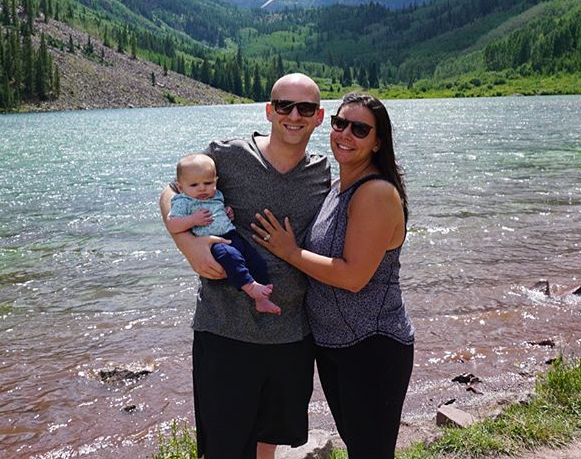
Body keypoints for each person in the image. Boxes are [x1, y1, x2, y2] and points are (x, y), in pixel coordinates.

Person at [160, 73, 331, 459]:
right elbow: (168, 192)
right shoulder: (228, 154)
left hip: (290, 332)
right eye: (284, 106)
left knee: (268, 439)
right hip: (224, 328)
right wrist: (189, 246)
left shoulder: (321, 170)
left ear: (319, 117)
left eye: (305, 108)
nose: (294, 116)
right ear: (270, 111)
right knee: (224, 446)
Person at [252, 91, 414, 459]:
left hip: (373, 346)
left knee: (370, 451)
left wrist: (290, 252)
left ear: (377, 143)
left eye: (360, 129)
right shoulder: (338, 187)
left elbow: (353, 276)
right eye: (340, 124)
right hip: (335, 345)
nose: (346, 134)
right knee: (359, 446)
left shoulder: (375, 193)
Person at [167, 152, 280, 314]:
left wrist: (226, 214)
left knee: (257, 261)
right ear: (180, 187)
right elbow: (172, 224)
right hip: (212, 242)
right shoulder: (183, 201)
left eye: (208, 183)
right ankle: (250, 287)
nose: (202, 188)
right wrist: (192, 220)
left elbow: (217, 212)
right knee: (231, 258)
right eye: (194, 185)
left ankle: (262, 300)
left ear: (216, 181)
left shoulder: (217, 195)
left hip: (232, 235)